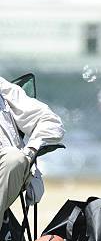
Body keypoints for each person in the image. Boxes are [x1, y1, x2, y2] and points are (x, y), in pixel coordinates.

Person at [0, 76, 64, 215]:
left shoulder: (3, 89)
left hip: (4, 169)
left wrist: (30, 151)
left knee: (15, 158)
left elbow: (50, 121)